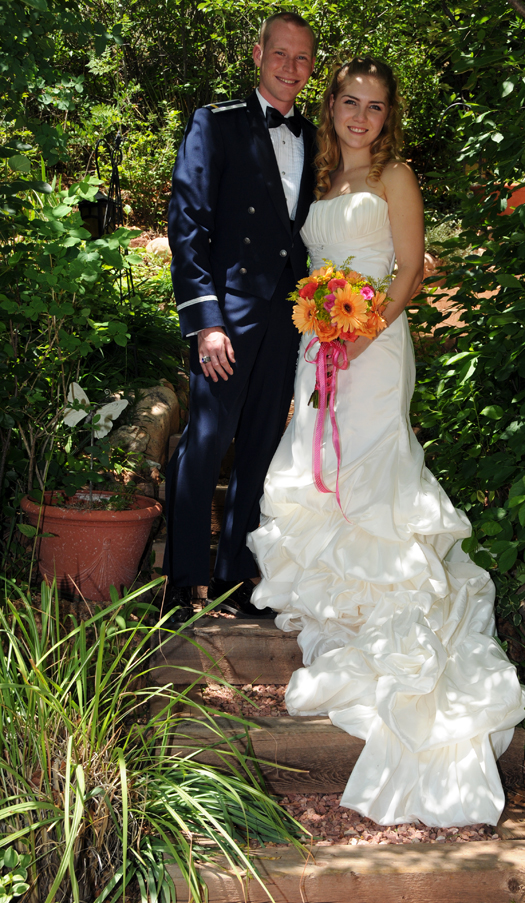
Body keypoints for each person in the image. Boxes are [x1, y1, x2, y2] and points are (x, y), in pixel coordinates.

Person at [248, 57, 525, 827]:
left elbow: (408, 272)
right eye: (348, 101)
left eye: (374, 106)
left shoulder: (396, 177)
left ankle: (394, 612)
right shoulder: (318, 174)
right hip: (322, 341)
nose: (359, 116)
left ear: (388, 115)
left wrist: (361, 332)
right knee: (320, 462)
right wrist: (322, 327)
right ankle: (345, 600)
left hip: (373, 343)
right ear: (332, 105)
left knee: (373, 464)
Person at [164, 12, 317, 621]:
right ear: (258, 54)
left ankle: (233, 578)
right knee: (205, 443)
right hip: (227, 315)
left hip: (288, 317)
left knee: (259, 448)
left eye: (302, 58)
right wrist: (206, 320)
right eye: (280, 54)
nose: (290, 67)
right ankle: (181, 582)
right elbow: (188, 224)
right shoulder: (216, 122)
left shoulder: (316, 136)